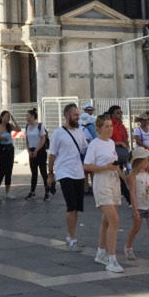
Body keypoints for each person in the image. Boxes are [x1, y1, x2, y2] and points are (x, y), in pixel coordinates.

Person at [83, 114, 125, 273]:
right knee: (114, 220)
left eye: (111, 126)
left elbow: (114, 165)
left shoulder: (111, 143)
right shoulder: (95, 144)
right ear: (99, 128)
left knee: (107, 221)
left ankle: (101, 252)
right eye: (106, 126)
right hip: (101, 182)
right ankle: (112, 259)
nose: (110, 129)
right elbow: (87, 165)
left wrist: (125, 178)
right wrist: (105, 168)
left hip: (113, 181)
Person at [47, 102, 89, 250]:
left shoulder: (80, 132)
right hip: (64, 172)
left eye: (78, 115)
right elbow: (52, 155)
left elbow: (85, 149)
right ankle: (71, 237)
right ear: (67, 115)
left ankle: (72, 234)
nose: (78, 117)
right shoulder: (58, 133)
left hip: (78, 172)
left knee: (76, 208)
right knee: (71, 206)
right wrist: (50, 174)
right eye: (75, 115)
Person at [24, 108, 49, 200]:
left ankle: (47, 191)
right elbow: (27, 140)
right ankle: (32, 191)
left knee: (43, 172)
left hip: (40, 151)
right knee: (34, 173)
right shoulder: (27, 127)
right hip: (31, 151)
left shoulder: (39, 126)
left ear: (33, 117)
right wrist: (29, 151)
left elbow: (43, 139)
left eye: (28, 116)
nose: (27, 118)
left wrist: (36, 150)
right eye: (26, 116)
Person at [0, 110, 19, 199]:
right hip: (2, 149)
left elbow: (18, 129)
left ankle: (8, 192)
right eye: (6, 116)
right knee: (2, 170)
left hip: (10, 149)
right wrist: (2, 137)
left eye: (8, 117)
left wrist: (13, 119)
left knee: (9, 170)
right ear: (1, 117)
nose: (7, 118)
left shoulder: (9, 126)